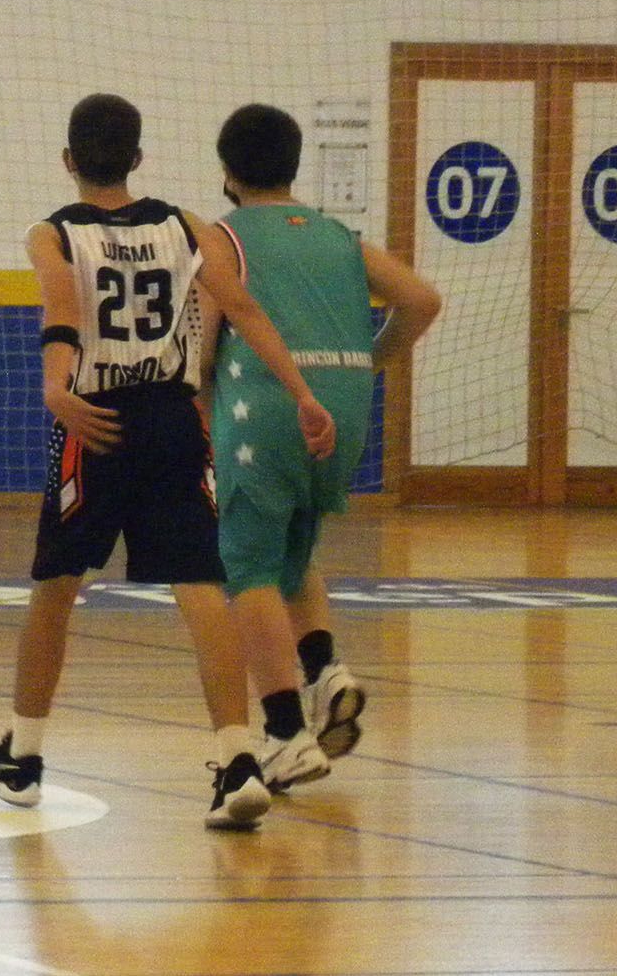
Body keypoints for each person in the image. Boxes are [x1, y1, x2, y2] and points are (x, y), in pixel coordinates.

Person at [0, 93, 336, 830]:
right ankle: (235, 757)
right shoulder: (183, 224)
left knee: (57, 586)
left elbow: (62, 310)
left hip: (94, 421)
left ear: (68, 160)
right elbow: (247, 309)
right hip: (171, 417)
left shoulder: (52, 234)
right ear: (138, 159)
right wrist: (302, 393)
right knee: (200, 585)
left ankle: (25, 754)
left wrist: (55, 382)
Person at [204, 103, 441, 784]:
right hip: (345, 405)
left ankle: (284, 732)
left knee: (245, 569)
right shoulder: (340, 236)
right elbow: (421, 300)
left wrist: (192, 399)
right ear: (295, 163)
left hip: (266, 406)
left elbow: (203, 342)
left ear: (226, 170)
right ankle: (325, 671)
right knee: (288, 555)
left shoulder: (225, 237)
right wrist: (371, 361)